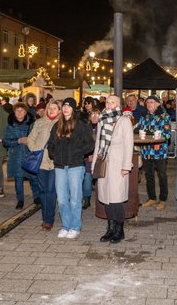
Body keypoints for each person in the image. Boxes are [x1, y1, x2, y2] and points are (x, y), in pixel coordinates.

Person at [47, 97, 95, 239]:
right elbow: (51, 144)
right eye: (64, 106)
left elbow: (90, 144)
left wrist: (77, 153)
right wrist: (54, 155)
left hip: (75, 166)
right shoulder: (57, 125)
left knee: (75, 198)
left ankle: (75, 226)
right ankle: (65, 225)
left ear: (73, 109)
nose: (66, 109)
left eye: (69, 106)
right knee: (62, 199)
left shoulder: (80, 125)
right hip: (60, 166)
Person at [92, 95, 134, 244]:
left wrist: (126, 166)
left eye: (112, 102)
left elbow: (129, 145)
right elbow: (98, 143)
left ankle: (119, 230)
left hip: (118, 165)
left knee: (116, 199)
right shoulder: (102, 120)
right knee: (106, 199)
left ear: (118, 105)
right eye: (107, 102)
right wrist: (94, 165)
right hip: (104, 164)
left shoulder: (124, 121)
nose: (109, 104)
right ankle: (110, 229)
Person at [27, 99, 61, 231]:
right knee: (42, 190)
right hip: (40, 162)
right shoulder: (40, 122)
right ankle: (44, 215)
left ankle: (48, 219)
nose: (51, 110)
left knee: (51, 191)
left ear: (59, 110)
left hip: (54, 163)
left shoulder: (62, 123)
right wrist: (35, 150)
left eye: (54, 108)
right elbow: (31, 138)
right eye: (49, 108)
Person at [138, 95, 172, 210]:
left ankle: (162, 199)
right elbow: (139, 129)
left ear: (157, 104)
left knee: (162, 175)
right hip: (146, 150)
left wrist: (149, 132)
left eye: (151, 102)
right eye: (147, 103)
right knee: (149, 175)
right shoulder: (144, 116)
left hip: (160, 151)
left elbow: (167, 134)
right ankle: (151, 198)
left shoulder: (164, 116)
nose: (149, 104)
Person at [3, 102, 39, 209]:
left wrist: (29, 141)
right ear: (14, 112)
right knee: (18, 179)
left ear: (25, 112)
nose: (19, 112)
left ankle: (37, 197)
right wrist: (17, 141)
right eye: (17, 110)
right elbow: (5, 141)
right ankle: (20, 200)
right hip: (15, 155)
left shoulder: (32, 123)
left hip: (29, 154)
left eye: (22, 110)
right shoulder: (9, 124)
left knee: (33, 177)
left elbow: (37, 138)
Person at [83, 108, 101, 209]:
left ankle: (101, 200)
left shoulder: (103, 127)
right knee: (87, 176)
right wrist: (88, 154)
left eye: (97, 114)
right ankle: (87, 198)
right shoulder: (86, 127)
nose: (95, 117)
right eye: (93, 114)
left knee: (101, 179)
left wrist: (95, 154)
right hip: (87, 157)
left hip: (99, 157)